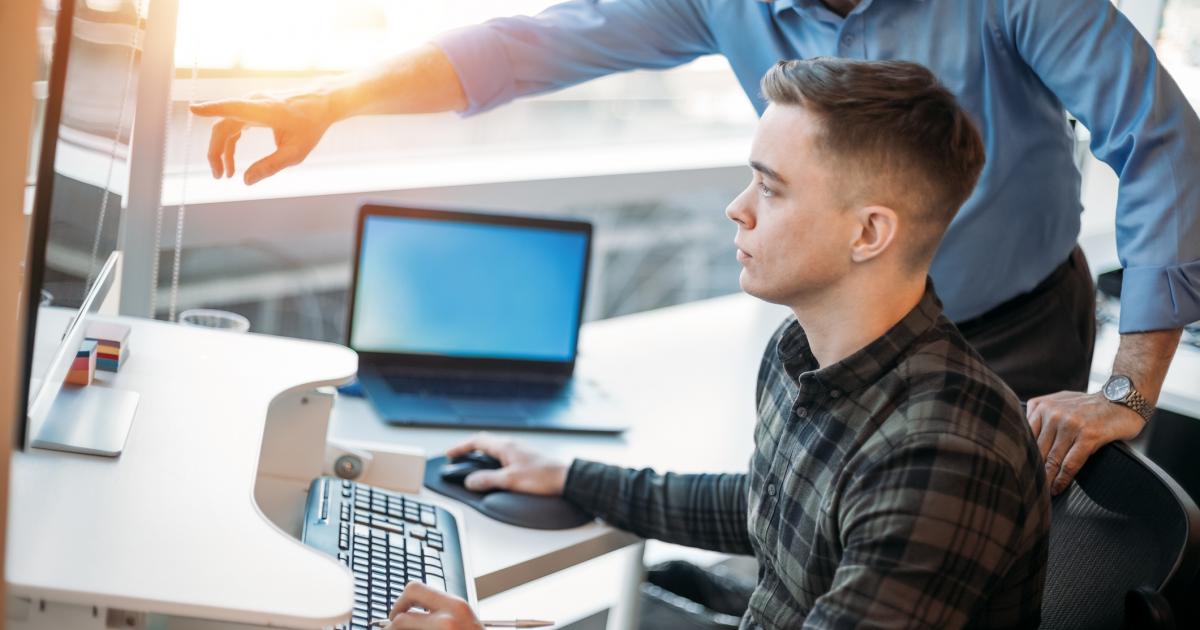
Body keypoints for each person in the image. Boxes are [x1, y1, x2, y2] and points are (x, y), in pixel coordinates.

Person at [191, 0, 1200, 495]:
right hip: (845, 329)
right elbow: (530, 46)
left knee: (931, 558)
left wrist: (1126, 389)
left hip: (1007, 328)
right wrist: (333, 101)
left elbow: (1159, 141)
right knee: (802, 530)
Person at [374, 57, 1049, 630]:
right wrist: (570, 477)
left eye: (771, 187)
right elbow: (765, 506)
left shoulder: (940, 455)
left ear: (868, 234)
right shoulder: (802, 354)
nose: (738, 207)